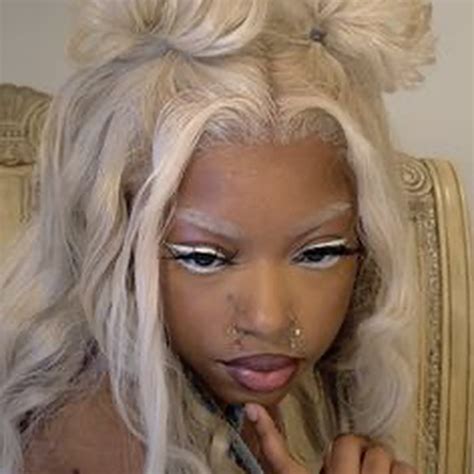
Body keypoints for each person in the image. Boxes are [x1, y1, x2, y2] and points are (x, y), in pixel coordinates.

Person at [0, 0, 435, 473]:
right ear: (115, 242)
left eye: (319, 254)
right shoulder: (105, 441)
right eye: (204, 258)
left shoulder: (225, 396)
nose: (268, 319)